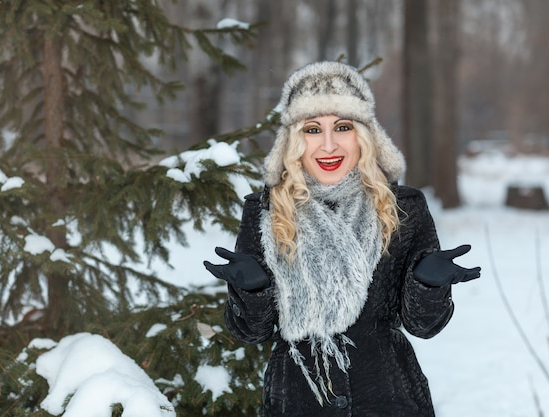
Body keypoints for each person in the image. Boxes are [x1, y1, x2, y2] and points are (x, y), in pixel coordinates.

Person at [203, 61, 481, 417]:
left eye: (343, 127)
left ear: (364, 135)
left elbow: (423, 326)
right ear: (293, 141)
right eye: (313, 129)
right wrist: (253, 291)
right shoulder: (266, 212)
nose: (329, 144)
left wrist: (427, 284)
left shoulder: (403, 209)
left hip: (389, 400)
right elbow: (250, 332)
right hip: (298, 401)